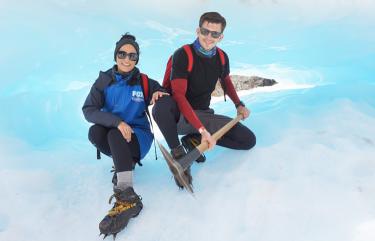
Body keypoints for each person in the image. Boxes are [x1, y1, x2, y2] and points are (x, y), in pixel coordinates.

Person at [152, 12, 256, 189]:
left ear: (221, 36)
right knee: (160, 106)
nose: (209, 37)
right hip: (178, 117)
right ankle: (179, 157)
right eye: (205, 31)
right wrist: (202, 129)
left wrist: (239, 105)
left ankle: (192, 140)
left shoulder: (222, 58)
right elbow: (178, 95)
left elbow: (227, 81)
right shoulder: (183, 54)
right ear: (197, 30)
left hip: (202, 117)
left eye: (214, 34)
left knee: (247, 140)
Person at [82, 33, 168, 238]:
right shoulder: (104, 81)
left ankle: (128, 197)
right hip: (117, 131)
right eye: (122, 53)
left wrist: (159, 94)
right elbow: (89, 110)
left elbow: (163, 91)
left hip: (139, 137)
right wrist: (118, 122)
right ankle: (124, 165)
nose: (127, 59)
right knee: (95, 132)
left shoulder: (144, 82)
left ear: (137, 59)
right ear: (115, 55)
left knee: (114, 135)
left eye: (132, 55)